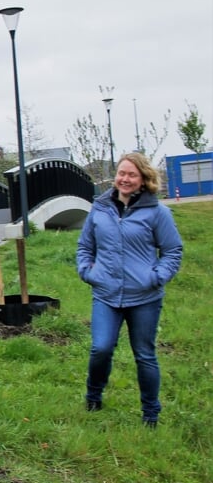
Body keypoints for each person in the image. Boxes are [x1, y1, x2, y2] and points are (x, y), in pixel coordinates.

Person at [76, 152, 182, 428]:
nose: (124, 179)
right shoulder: (100, 209)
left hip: (144, 297)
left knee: (145, 355)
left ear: (144, 179)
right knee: (101, 348)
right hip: (106, 295)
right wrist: (87, 271)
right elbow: (85, 246)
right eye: (121, 173)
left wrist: (156, 277)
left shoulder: (158, 213)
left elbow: (172, 251)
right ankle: (93, 397)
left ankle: (150, 414)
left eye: (131, 174)